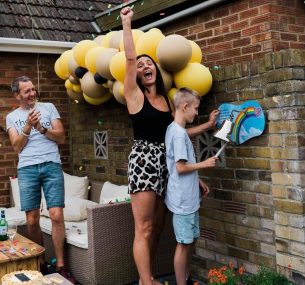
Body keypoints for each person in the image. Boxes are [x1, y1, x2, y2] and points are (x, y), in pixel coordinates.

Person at [120, 6, 219, 285]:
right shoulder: (134, 96)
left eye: (148, 63)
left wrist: (206, 127)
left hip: (166, 163)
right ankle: (147, 282)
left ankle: (145, 277)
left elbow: (176, 135)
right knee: (145, 227)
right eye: (139, 66)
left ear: (156, 69)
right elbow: (129, 58)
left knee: (160, 226)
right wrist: (127, 24)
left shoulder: (166, 100)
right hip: (143, 162)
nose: (143, 66)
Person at [6, 76, 76, 283]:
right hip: (27, 169)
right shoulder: (12, 117)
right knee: (32, 219)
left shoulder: (49, 108)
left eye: (33, 89)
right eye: (27, 91)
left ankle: (61, 265)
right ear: (17, 95)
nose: (32, 93)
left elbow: (61, 137)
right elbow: (17, 146)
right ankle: (42, 262)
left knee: (56, 215)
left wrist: (42, 129)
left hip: (51, 165)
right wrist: (28, 125)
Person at [165, 88, 218, 285]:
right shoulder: (178, 134)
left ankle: (186, 279)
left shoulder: (175, 130)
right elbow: (179, 167)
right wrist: (204, 164)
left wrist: (197, 179)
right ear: (185, 106)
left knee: (190, 240)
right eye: (195, 109)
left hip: (188, 196)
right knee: (183, 243)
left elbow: (177, 164)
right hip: (182, 200)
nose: (196, 113)